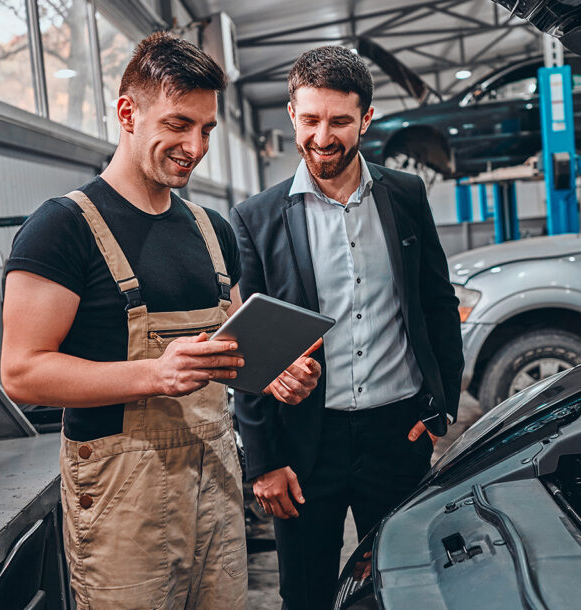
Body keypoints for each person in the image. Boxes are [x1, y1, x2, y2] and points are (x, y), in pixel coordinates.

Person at [0, 32, 320, 610]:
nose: (193, 146)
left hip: (218, 483)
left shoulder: (212, 229)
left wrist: (272, 373)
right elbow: (22, 374)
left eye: (205, 130)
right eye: (177, 124)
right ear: (128, 112)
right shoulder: (62, 228)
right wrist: (154, 374)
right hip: (124, 502)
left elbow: (231, 346)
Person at [231, 46, 463, 609]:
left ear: (366, 118)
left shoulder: (405, 196)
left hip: (397, 433)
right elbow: (248, 348)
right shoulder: (256, 219)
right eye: (310, 120)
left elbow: (437, 303)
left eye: (339, 121)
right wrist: (263, 461)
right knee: (306, 594)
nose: (323, 136)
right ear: (292, 115)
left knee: (405, 586)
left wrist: (439, 408)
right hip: (305, 445)